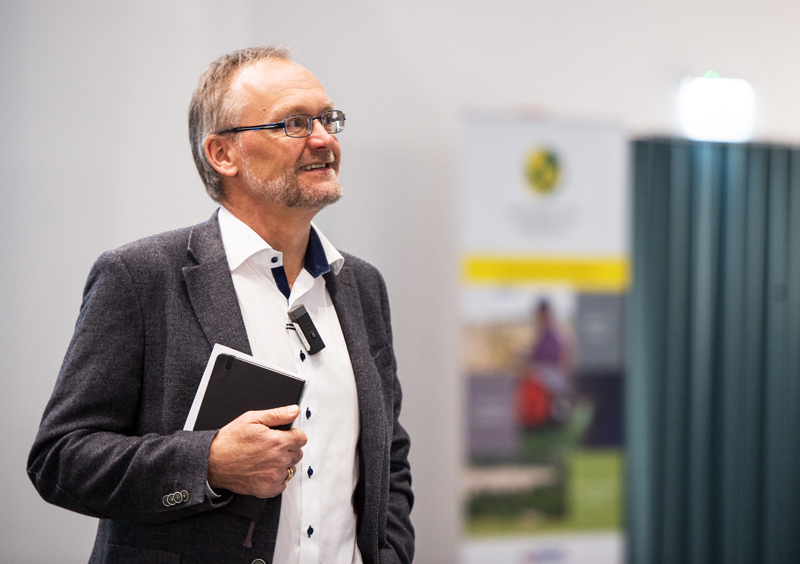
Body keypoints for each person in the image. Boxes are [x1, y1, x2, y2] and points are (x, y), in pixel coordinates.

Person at [27, 46, 414, 564]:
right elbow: (60, 459)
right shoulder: (139, 277)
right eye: (294, 124)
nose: (323, 139)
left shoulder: (362, 285)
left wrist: (391, 554)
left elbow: (388, 455)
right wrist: (207, 464)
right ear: (222, 154)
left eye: (327, 119)